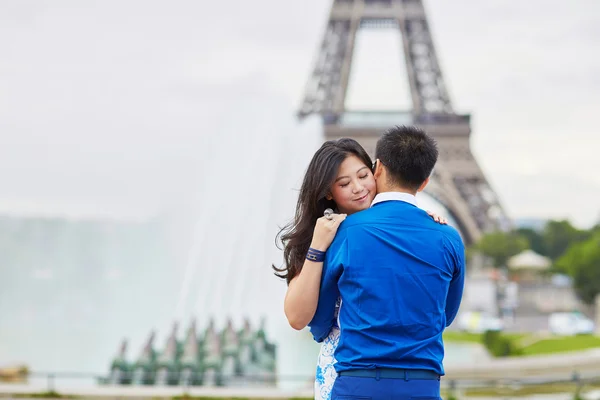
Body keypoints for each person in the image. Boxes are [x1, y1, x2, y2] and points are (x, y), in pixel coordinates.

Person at [273, 137, 446, 400]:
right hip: (344, 368)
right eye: (344, 183)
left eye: (363, 175)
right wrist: (317, 247)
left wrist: (426, 225)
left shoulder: (406, 229)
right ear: (329, 192)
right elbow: (297, 317)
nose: (358, 188)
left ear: (377, 171)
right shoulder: (321, 237)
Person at [308, 126, 466, 400]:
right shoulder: (448, 238)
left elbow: (320, 321)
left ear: (377, 167)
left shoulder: (345, 231)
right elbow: (445, 315)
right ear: (425, 181)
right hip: (422, 386)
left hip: (358, 385)